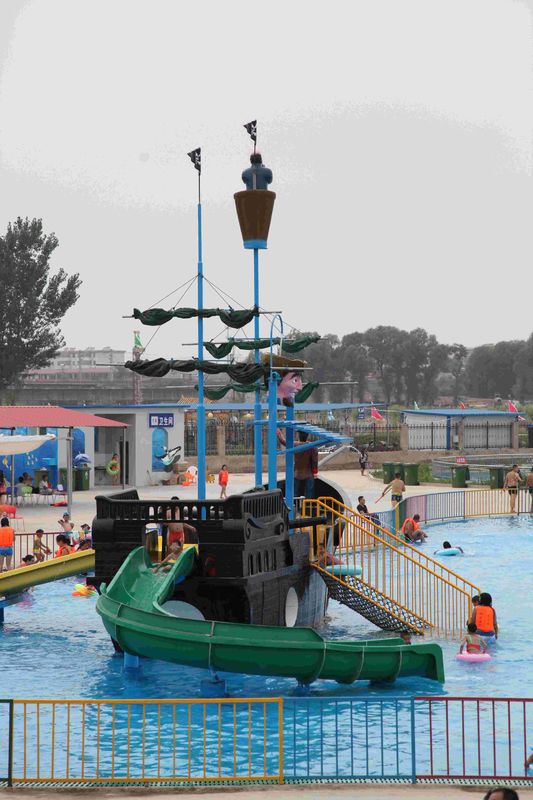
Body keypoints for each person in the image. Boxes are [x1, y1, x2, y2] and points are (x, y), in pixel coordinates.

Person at [294, 432, 318, 500]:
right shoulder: (312, 446)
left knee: (295, 494)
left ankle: (295, 505)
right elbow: (314, 461)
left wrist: (278, 432)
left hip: (296, 473)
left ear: (299, 436)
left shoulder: (295, 445)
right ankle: (308, 505)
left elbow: (283, 441)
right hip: (308, 473)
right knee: (309, 494)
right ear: (307, 436)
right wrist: (315, 472)